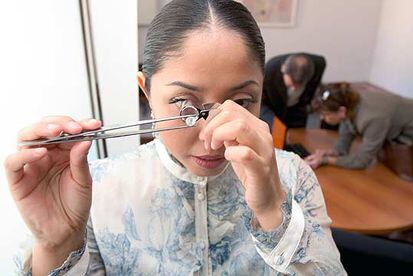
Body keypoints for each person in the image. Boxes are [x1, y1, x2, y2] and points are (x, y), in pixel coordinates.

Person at [5, 1, 345, 275]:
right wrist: (55, 246)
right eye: (184, 104)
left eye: (241, 103)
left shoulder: (293, 177)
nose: (213, 139)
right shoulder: (96, 189)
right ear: (146, 91)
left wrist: (273, 210)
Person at [306, 82, 413, 170]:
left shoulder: (372, 118)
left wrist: (326, 160)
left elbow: (362, 161)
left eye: (325, 114)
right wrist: (329, 152)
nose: (321, 118)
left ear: (341, 110)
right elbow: (343, 146)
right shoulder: (349, 106)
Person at [260, 53, 326, 129]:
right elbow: (261, 102)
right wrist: (273, 122)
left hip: (298, 109)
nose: (294, 89)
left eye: (299, 86)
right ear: (283, 68)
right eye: (291, 85)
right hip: (275, 110)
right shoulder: (268, 71)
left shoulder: (319, 64)